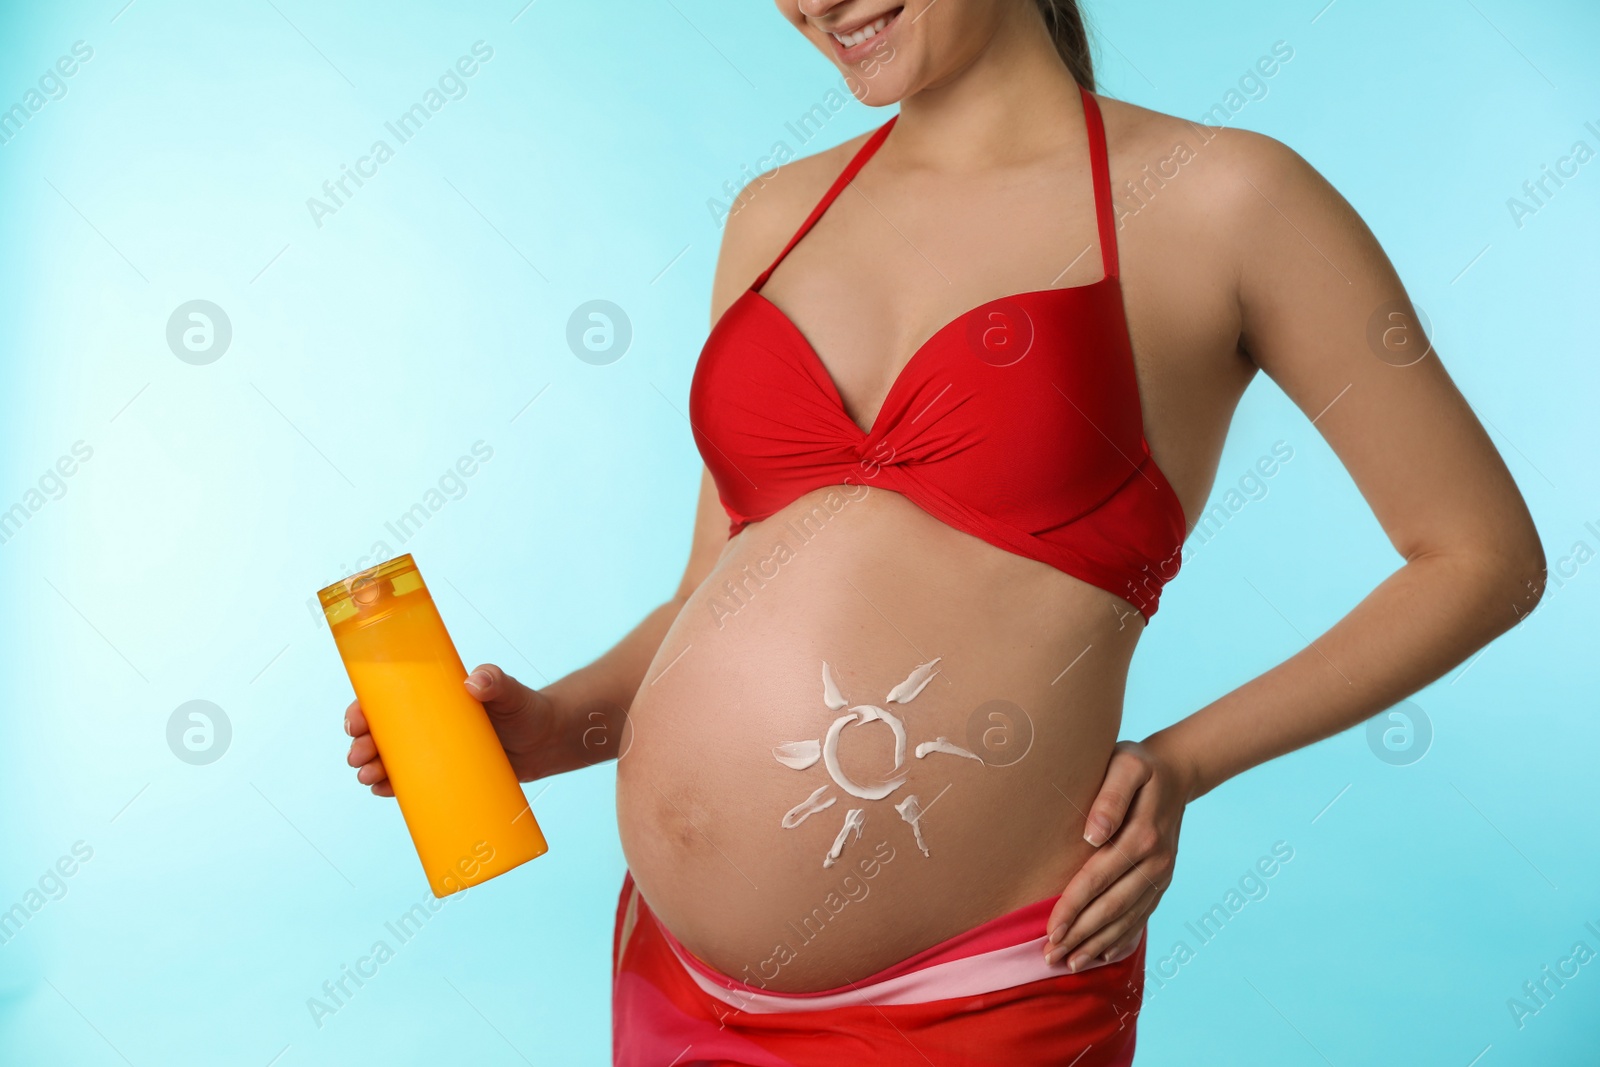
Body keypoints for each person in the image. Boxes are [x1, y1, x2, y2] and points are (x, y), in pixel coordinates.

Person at [343, 1, 1544, 1062]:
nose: (811, 2)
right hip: (671, 981)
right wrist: (551, 725)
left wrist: (1182, 763)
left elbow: (1479, 556)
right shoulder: (776, 213)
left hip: (974, 998)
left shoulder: (1225, 197)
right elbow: (706, 596)